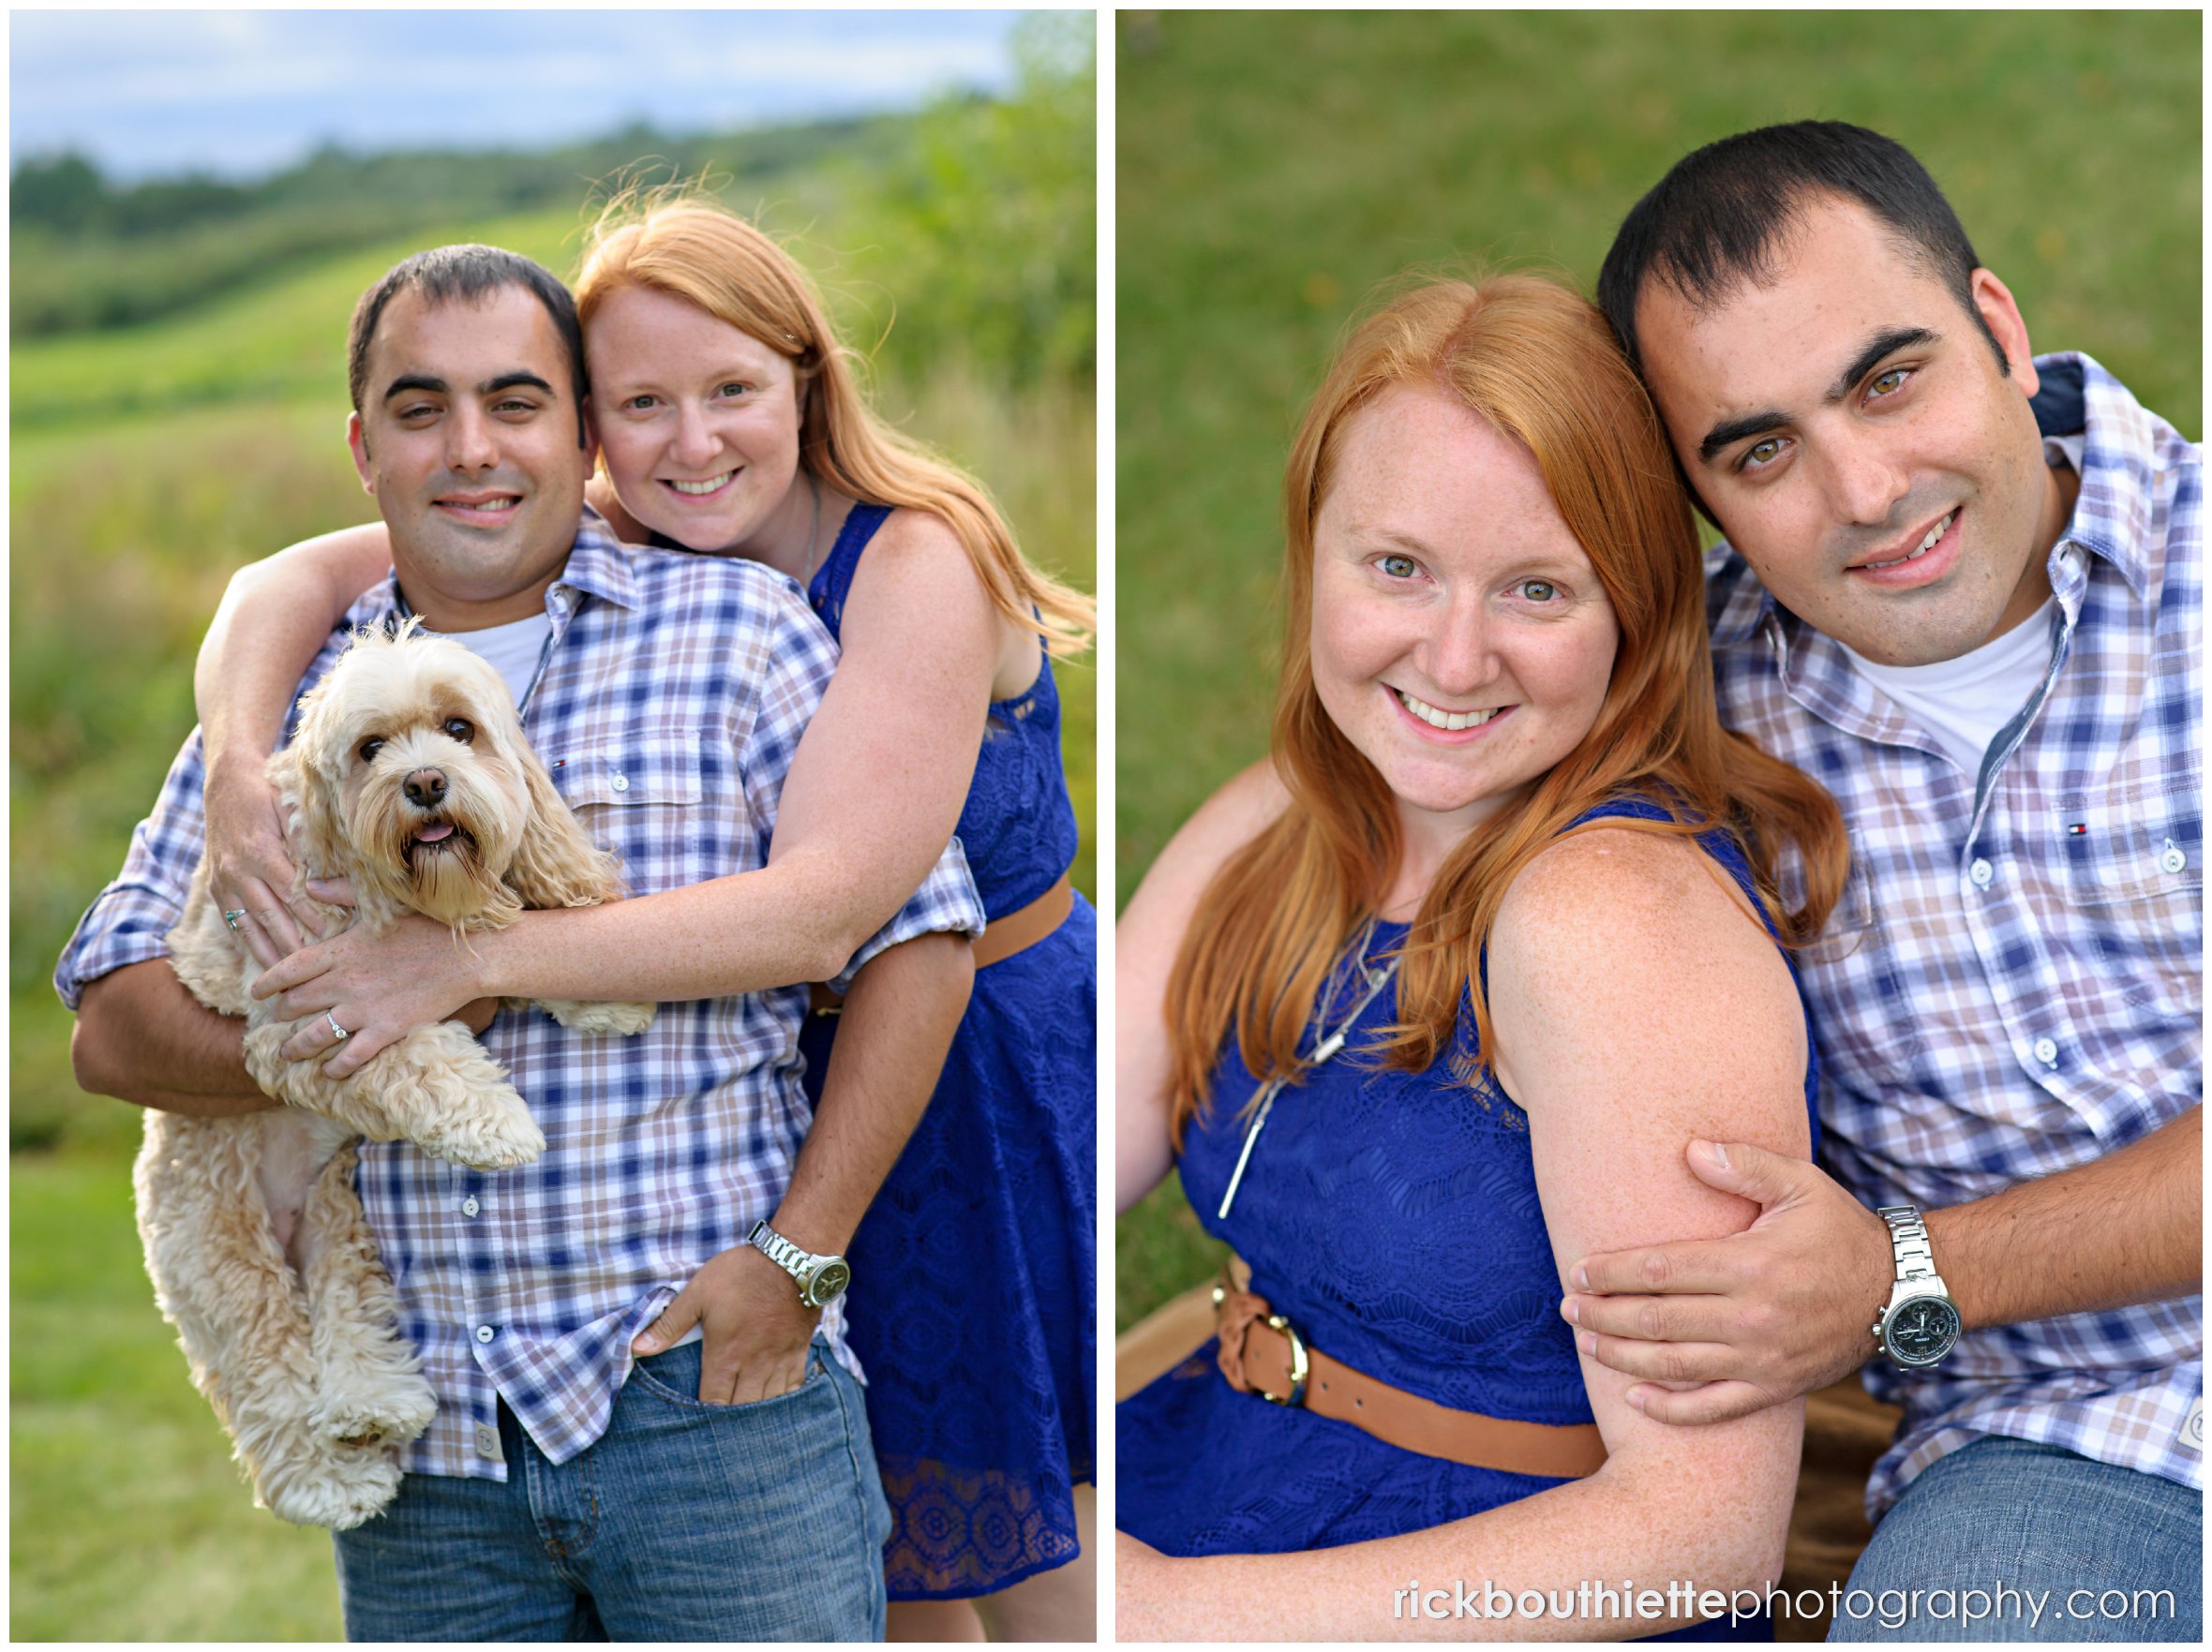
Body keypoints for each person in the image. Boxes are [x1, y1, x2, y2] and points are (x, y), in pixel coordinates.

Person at [184, 199, 1097, 1639]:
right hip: (804, 1071)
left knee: (1025, 1522)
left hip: (977, 1061)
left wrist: (468, 964)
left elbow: (830, 915)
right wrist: (239, 752)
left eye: (732, 390)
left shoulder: (914, 562)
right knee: (906, 1570)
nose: (692, 442)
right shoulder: (626, 532)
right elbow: (284, 580)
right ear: (597, 435)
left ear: (806, 378)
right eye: (641, 406)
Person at [1115, 273, 1854, 1640]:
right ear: (1312, 554)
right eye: (1397, 567)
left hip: (1487, 1590)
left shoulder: (1610, 925)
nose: (1454, 660)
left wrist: (1167, 1613)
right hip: (1221, 1463)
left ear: (1636, 613)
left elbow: (1703, 1539)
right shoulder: (1286, 818)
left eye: (1537, 589)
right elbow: (1058, 1156)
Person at [1577, 122, 2202, 1640]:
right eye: (1760, 449)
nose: (1864, 489)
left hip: (1941, 1305)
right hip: (2066, 1446)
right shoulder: (1685, 705)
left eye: (1889, 377)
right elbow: (1399, 720)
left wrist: (1900, 1273)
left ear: (1998, 328)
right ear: (1697, 497)